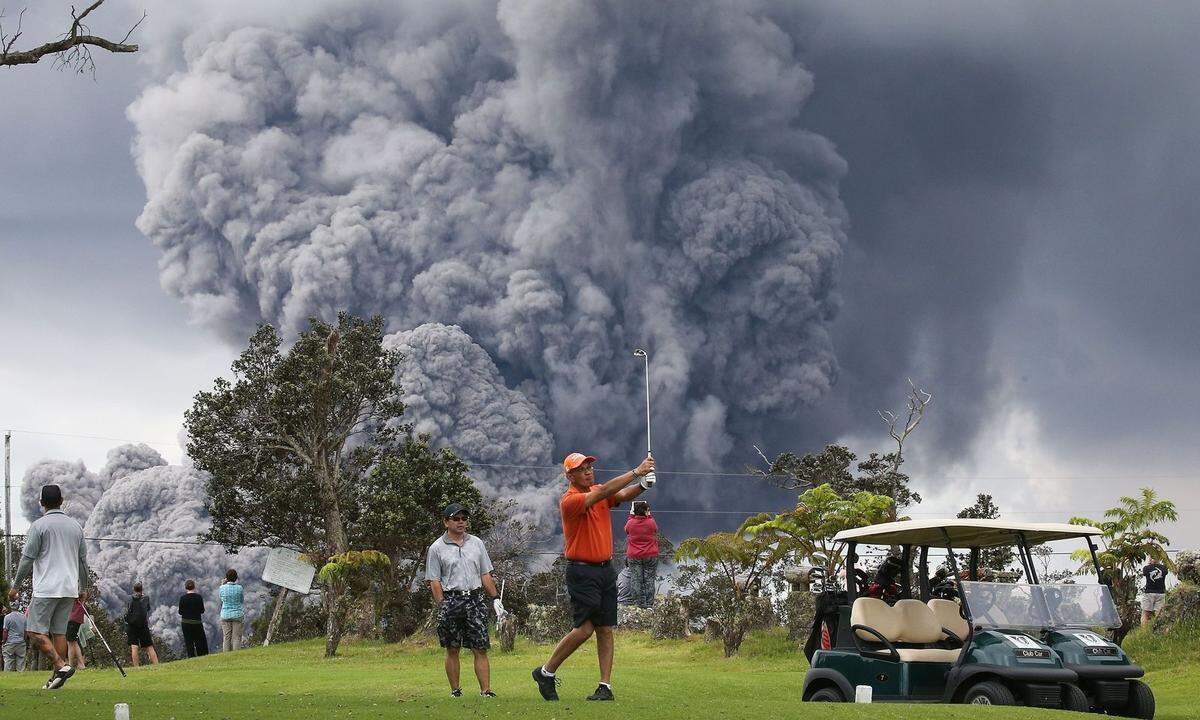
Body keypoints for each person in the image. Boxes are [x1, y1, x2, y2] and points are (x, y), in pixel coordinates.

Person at [532, 452, 655, 702]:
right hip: (582, 570)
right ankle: (546, 671)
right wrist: (637, 471)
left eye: (589, 466)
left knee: (605, 629)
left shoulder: (598, 490)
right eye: (581, 468)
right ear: (570, 475)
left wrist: (642, 486)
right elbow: (602, 493)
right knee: (585, 629)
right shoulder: (570, 500)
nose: (588, 471)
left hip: (605, 569)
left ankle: (605, 687)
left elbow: (619, 495)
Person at [8, 483, 89, 689]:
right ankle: (57, 678)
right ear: (61, 501)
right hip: (69, 588)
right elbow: (82, 561)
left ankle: (61, 665)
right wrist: (83, 588)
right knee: (59, 633)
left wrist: (16, 586)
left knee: (34, 632)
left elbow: (27, 558)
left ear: (41, 503)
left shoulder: (39, 526)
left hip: (46, 588)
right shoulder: (75, 527)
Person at [425, 503, 505, 698]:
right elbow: (434, 580)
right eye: (456, 519)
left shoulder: (477, 543)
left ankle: (486, 691)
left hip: (475, 599)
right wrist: (442, 604)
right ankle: (455, 690)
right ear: (446, 522)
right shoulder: (436, 548)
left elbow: (485, 573)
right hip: (451, 599)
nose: (461, 522)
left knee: (480, 647)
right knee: (453, 647)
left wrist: (495, 598)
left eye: (464, 519)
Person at [624, 500, 659, 609]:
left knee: (635, 579)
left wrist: (631, 515)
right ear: (645, 512)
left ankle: (637, 605)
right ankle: (649, 605)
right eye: (648, 510)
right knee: (649, 579)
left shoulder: (630, 523)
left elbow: (626, 530)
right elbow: (655, 530)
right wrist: (648, 516)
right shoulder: (651, 522)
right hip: (650, 555)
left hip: (634, 556)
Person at [124, 583, 159, 667]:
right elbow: (148, 609)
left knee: (134, 647)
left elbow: (127, 611)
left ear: (134, 589)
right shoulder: (146, 598)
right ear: (142, 589)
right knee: (149, 646)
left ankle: (136, 668)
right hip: (143, 625)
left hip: (132, 626)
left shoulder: (129, 598)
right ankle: (157, 665)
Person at [179, 579, 208, 657]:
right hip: (197, 623)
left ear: (186, 588)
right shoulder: (199, 597)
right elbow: (202, 610)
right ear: (194, 587)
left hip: (185, 623)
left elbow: (180, 612)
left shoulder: (182, 598)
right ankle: (201, 657)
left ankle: (191, 657)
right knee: (199, 641)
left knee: (189, 642)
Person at [219, 569, 244, 652]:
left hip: (225, 615)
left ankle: (226, 657)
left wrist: (222, 584)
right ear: (236, 578)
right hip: (237, 615)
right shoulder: (240, 588)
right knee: (236, 637)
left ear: (226, 578)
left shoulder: (222, 588)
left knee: (226, 637)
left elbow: (221, 599)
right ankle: (236, 656)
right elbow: (241, 600)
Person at [1141, 559, 1169, 627]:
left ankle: (1144, 632)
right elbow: (1165, 572)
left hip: (1149, 593)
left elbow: (1144, 573)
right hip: (1160, 593)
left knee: (1145, 613)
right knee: (1159, 614)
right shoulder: (1164, 568)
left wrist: (1150, 563)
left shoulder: (1146, 568)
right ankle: (1159, 629)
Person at [2, 602, 27, 671]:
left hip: (10, 642)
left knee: (8, 660)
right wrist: (24, 640)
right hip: (21, 642)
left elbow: (5, 631)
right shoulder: (24, 617)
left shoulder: (7, 617)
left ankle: (7, 676)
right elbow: (25, 631)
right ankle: (21, 677)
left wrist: (4, 641)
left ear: (10, 607)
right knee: (21, 661)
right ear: (18, 607)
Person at [65, 597, 87, 671]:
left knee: (70, 642)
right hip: (76, 617)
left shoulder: (75, 592)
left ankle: (70, 665)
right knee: (73, 641)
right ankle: (81, 664)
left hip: (72, 617)